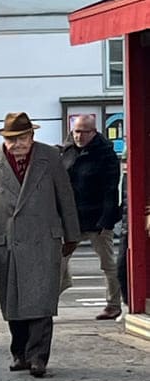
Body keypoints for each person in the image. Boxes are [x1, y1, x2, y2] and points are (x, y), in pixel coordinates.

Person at [0, 112, 80, 377]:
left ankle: (38, 357)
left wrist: (71, 235)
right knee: (13, 302)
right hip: (7, 242)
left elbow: (66, 197)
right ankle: (19, 353)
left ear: (32, 137)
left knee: (41, 301)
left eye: (22, 138)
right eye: (11, 139)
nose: (17, 144)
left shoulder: (50, 159)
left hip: (43, 240)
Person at [59, 113, 122, 319]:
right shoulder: (67, 151)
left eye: (84, 132)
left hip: (97, 218)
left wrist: (106, 221)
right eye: (76, 131)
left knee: (107, 263)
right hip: (72, 219)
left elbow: (111, 189)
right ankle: (49, 302)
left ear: (93, 132)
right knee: (58, 261)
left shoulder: (105, 154)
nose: (79, 136)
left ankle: (113, 304)